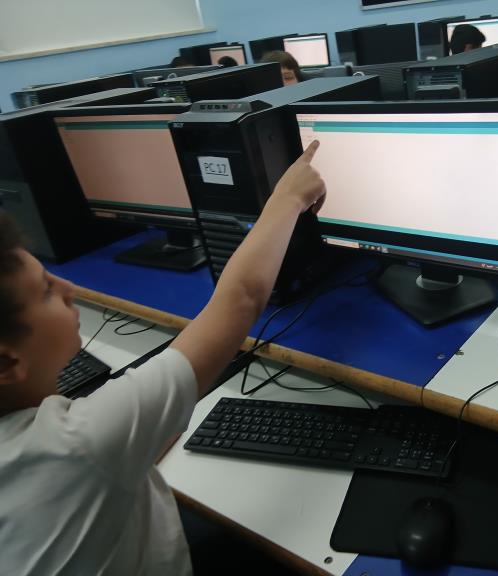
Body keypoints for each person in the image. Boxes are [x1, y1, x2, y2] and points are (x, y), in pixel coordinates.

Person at [0, 141, 326, 575]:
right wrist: (289, 197)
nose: (68, 288)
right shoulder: (78, 443)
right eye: (45, 291)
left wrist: (150, 425)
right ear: (6, 364)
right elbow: (243, 299)